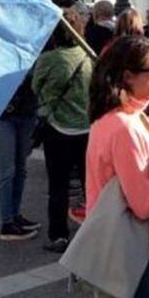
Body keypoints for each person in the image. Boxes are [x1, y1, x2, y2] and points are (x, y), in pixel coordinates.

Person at [85, 35, 149, 298]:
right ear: (128, 76)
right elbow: (143, 205)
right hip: (132, 245)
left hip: (112, 240)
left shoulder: (111, 118)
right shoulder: (125, 127)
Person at [33, 21, 94, 253]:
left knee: (58, 186)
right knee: (91, 185)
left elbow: (36, 87)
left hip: (58, 129)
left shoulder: (49, 59)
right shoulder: (87, 55)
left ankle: (58, 235)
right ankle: (92, 232)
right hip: (86, 129)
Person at [0, 73, 42, 241]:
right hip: (3, 116)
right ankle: (7, 223)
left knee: (21, 169)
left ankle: (15, 215)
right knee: (7, 171)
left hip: (27, 112)